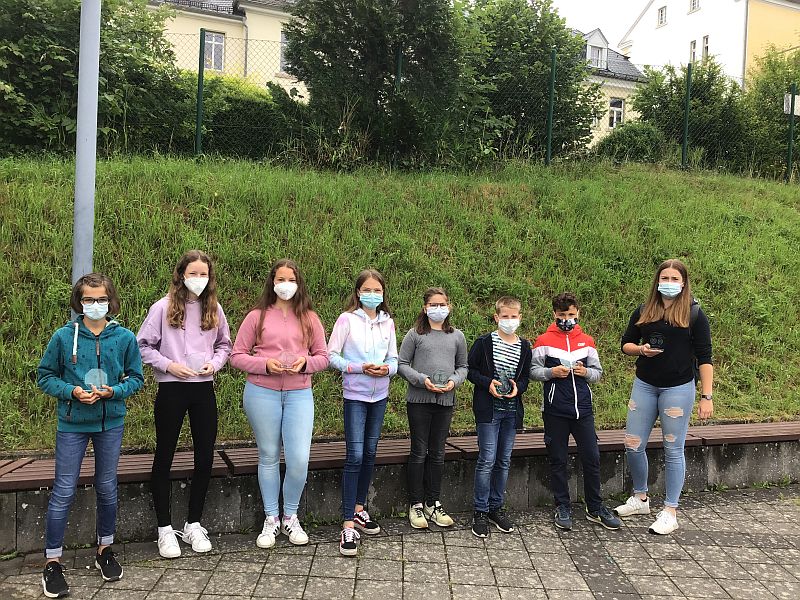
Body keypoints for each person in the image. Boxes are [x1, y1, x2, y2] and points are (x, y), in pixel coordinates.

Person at [37, 273, 144, 598]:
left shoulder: (124, 337)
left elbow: (136, 378)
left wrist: (114, 391)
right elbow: (45, 376)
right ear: (79, 301)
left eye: (101, 299)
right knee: (64, 490)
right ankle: (52, 562)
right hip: (72, 423)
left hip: (110, 423)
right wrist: (71, 391)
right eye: (88, 299)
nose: (95, 305)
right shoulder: (63, 336)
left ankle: (105, 550)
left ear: (111, 301)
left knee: (107, 487)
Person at [137, 250, 232, 558]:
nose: (198, 279)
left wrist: (214, 365)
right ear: (181, 275)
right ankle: (164, 529)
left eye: (204, 274)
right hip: (172, 388)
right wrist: (169, 365)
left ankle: (193, 523)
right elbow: (143, 346)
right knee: (164, 455)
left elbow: (225, 345)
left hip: (203, 388)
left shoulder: (213, 308)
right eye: (193, 273)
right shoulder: (162, 308)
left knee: (205, 457)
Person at [230, 259, 329, 548]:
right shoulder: (256, 316)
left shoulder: (310, 318)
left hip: (299, 393)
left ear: (299, 284)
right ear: (272, 283)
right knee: (269, 455)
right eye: (280, 279)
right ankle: (271, 518)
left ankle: (291, 516)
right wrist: (264, 364)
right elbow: (236, 356)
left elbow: (323, 357)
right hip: (262, 392)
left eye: (291, 280)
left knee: (299, 459)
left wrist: (305, 363)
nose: (286, 285)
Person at [615, 259, 713, 535]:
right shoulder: (644, 310)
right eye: (664, 278)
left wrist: (706, 396)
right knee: (633, 444)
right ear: (657, 281)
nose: (668, 283)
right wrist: (641, 350)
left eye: (674, 279)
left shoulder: (694, 314)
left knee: (673, 449)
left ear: (683, 283)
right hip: (645, 385)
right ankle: (640, 498)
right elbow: (626, 344)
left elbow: (705, 357)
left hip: (678, 389)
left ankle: (670, 511)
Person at [530, 292, 621, 531]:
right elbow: (533, 371)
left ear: (578, 312)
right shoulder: (543, 340)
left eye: (571, 314)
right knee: (558, 459)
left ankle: (595, 507)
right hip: (555, 410)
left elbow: (597, 373)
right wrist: (551, 373)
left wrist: (585, 372)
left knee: (592, 458)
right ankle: (562, 506)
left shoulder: (587, 341)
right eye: (562, 315)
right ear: (554, 314)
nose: (567, 319)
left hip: (583, 410)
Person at [327, 269, 398, 556]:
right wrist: (358, 368)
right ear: (358, 292)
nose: (372, 294)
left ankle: (359, 509)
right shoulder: (346, 320)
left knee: (370, 453)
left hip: (379, 395)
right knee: (355, 455)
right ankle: (347, 524)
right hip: (355, 395)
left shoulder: (387, 322)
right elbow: (331, 355)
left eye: (377, 290)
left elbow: (394, 359)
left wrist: (387, 369)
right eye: (367, 289)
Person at [398, 287, 467, 530]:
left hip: (445, 402)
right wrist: (421, 380)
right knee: (419, 451)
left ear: (449, 306)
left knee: (438, 452)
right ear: (425, 308)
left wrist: (454, 382)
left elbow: (463, 367)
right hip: (419, 401)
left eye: (442, 304)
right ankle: (416, 504)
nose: (438, 309)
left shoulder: (457, 336)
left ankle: (433, 502)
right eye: (433, 305)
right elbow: (402, 364)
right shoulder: (415, 334)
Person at [467, 296, 531, 538]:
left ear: (520, 318)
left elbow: (525, 378)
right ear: (496, 317)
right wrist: (488, 383)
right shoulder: (484, 342)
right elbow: (471, 371)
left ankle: (496, 507)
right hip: (489, 410)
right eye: (505, 316)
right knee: (487, 460)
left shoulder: (525, 346)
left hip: (511, 412)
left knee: (503, 461)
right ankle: (480, 510)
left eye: (514, 316)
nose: (509, 320)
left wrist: (518, 388)